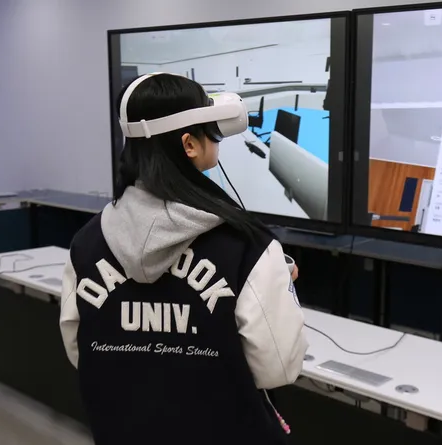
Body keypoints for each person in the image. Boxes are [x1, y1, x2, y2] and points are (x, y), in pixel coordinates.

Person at [59, 73, 308, 445]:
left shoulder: (86, 243)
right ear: (189, 144)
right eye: (211, 129)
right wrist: (276, 281)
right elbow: (279, 368)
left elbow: (79, 350)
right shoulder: (248, 247)